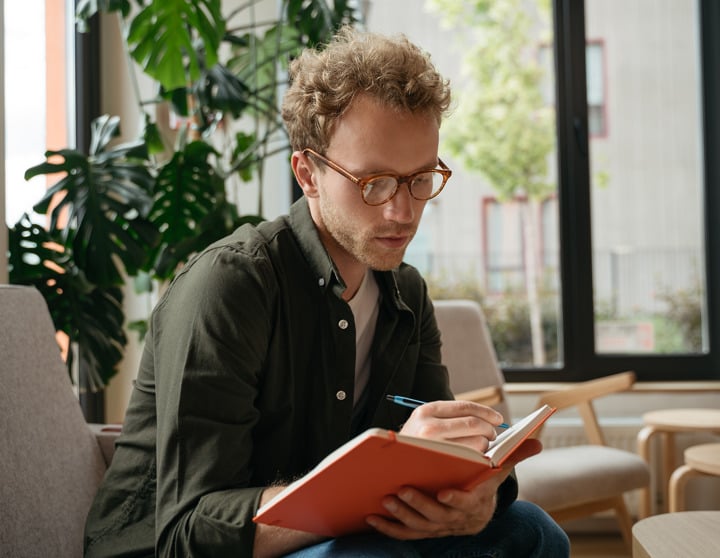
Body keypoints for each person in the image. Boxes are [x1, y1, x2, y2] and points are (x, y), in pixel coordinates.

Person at [84, 26, 570, 558]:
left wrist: (477, 497)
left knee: (531, 530)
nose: (402, 212)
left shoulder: (405, 294)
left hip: (336, 533)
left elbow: (446, 457)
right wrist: (370, 498)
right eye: (373, 183)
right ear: (307, 173)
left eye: (420, 178)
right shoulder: (229, 287)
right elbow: (188, 531)